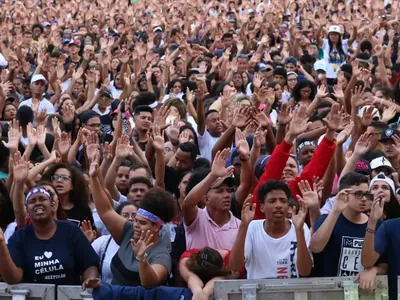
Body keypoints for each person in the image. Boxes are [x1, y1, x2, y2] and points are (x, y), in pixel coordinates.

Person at [89, 151, 176, 287]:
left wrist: (142, 259)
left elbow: (149, 283)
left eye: (142, 223)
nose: (135, 225)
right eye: (135, 219)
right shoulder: (128, 232)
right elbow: (106, 211)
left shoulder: (161, 255)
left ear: (157, 227)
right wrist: (94, 177)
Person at [0, 186, 99, 286]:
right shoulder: (19, 238)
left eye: (43, 199)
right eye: (32, 201)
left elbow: (89, 264)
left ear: (52, 205)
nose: (38, 203)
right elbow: (13, 279)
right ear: (27, 210)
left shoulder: (71, 230)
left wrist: (89, 280)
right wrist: (2, 245)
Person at [229, 181, 312, 279]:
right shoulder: (252, 228)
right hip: (258, 292)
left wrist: (299, 230)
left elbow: (305, 271)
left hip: (290, 292)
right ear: (262, 207)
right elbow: (235, 267)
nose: (278, 205)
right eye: (272, 201)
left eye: (283, 201)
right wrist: (243, 225)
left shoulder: (300, 227)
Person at [310, 172, 381, 277]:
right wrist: (335, 211)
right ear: (344, 194)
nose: (364, 199)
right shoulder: (327, 219)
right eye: (358, 194)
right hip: (331, 288)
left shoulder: (376, 223)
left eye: (366, 194)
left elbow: (384, 263)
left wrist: (374, 270)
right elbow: (315, 247)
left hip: (363, 289)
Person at [183, 148, 241, 250]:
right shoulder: (197, 218)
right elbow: (187, 204)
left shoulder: (240, 226)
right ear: (205, 199)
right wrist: (212, 175)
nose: (227, 195)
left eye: (228, 191)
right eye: (220, 191)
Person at [91, 201, 139, 284]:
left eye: (134, 216)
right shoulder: (102, 242)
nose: (130, 218)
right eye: (125, 215)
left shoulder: (146, 243)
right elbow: (87, 264)